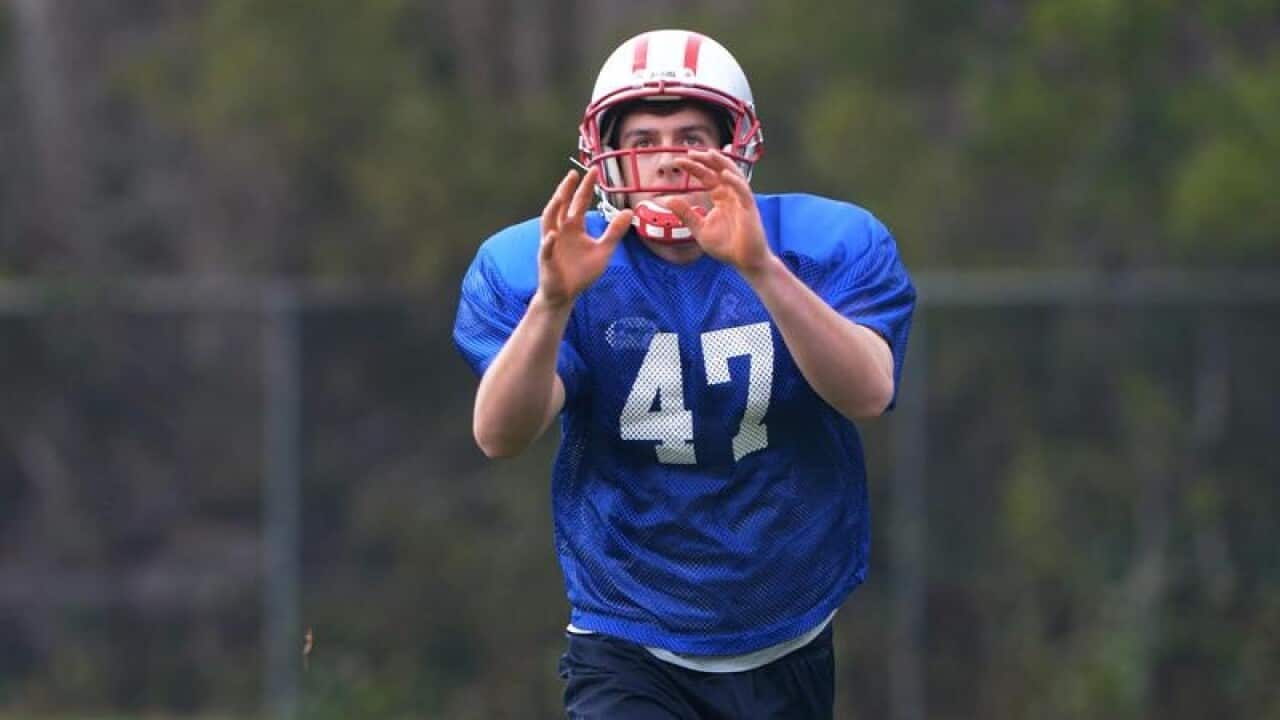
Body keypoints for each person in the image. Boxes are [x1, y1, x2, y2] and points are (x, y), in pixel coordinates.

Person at [453, 29, 915, 719]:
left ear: (736, 146)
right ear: (605, 155)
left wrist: (761, 269)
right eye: (643, 140)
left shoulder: (816, 247)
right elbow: (500, 434)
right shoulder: (548, 264)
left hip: (789, 621)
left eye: (691, 137)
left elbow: (869, 392)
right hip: (626, 631)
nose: (667, 159)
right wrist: (552, 304)